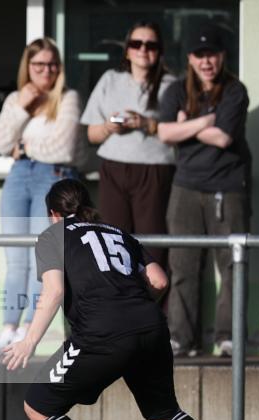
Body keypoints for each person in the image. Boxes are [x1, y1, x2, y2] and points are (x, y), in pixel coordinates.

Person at [3, 179, 242, 420]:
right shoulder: (119, 233)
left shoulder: (52, 235)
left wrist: (28, 341)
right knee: (164, 414)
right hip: (151, 326)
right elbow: (160, 280)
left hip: (102, 332)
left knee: (38, 406)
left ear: (54, 214)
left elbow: (54, 291)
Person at [0, 37, 86, 356]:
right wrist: (22, 108)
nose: (46, 71)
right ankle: (9, 328)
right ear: (27, 68)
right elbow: (0, 141)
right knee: (15, 258)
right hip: (18, 176)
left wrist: (25, 146)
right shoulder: (17, 98)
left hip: (52, 175)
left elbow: (64, 147)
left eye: (52, 65)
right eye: (38, 65)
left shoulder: (68, 98)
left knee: (38, 258)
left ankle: (31, 328)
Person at [157, 24, 251, 358]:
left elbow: (224, 138)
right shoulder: (177, 90)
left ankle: (227, 338)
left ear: (222, 56)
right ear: (191, 59)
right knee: (182, 265)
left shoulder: (235, 91)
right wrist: (204, 122)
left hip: (228, 187)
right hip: (185, 188)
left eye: (211, 53)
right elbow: (164, 133)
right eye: (199, 55)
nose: (206, 61)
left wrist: (187, 125)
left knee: (231, 265)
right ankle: (182, 339)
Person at [80, 21, 176, 269]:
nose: (143, 49)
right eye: (136, 43)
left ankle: (151, 305)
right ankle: (118, 304)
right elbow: (91, 135)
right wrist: (110, 127)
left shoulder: (172, 85)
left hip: (155, 169)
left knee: (152, 248)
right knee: (113, 243)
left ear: (160, 50)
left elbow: (179, 134)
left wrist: (146, 123)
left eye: (150, 44)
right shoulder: (110, 80)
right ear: (127, 50)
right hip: (114, 168)